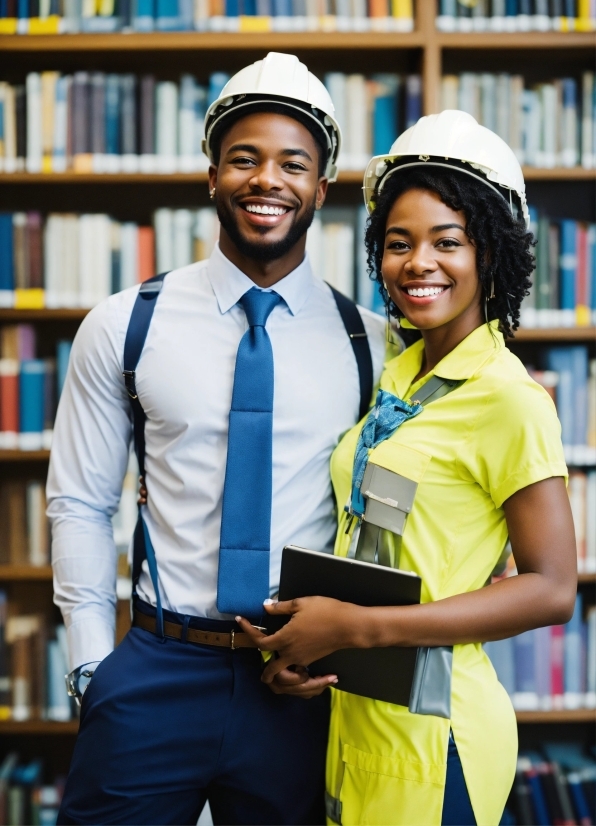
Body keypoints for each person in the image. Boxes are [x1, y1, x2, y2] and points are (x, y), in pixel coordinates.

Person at [48, 52, 386, 826]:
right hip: (156, 669)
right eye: (245, 159)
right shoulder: (124, 325)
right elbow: (79, 502)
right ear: (211, 176)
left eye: (292, 164)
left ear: (321, 191)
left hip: (296, 678)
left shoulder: (371, 345)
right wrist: (93, 670)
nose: (267, 179)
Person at [238, 110, 578, 826]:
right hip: (357, 714)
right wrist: (314, 644)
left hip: (438, 730)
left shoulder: (508, 397)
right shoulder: (396, 377)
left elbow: (551, 590)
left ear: (491, 252)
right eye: (399, 244)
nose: (418, 263)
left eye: (446, 242)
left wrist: (353, 627)